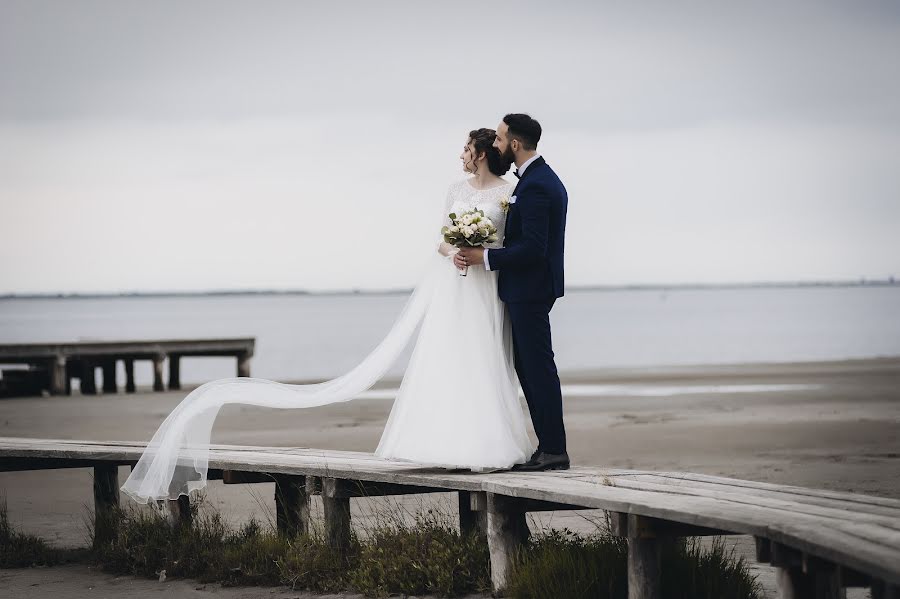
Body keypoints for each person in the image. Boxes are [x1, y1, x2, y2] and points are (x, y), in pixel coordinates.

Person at [121, 126, 537, 505]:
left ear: (481, 153)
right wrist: (456, 252)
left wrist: (479, 254)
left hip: (485, 288)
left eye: (466, 149)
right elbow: (440, 242)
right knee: (449, 359)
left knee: (484, 358)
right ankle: (448, 443)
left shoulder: (506, 193)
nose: (461, 155)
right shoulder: (454, 190)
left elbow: (507, 241)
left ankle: (489, 443)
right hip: (456, 287)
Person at [457, 113, 569, 472]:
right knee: (531, 368)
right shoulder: (537, 179)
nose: (498, 145)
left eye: (502, 139)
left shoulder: (536, 185)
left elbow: (533, 248)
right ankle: (548, 448)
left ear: (515, 144)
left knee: (537, 369)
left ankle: (553, 449)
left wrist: (484, 256)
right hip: (528, 289)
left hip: (530, 290)